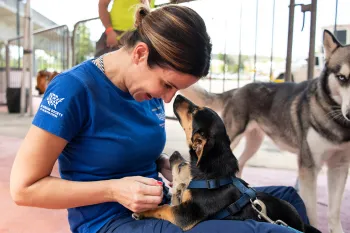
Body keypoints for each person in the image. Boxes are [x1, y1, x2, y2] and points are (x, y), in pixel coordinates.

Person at [10, 4, 310, 233]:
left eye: (177, 89)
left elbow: (130, 148)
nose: (168, 99)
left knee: (286, 198)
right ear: (140, 54)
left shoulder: (146, 90)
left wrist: (168, 165)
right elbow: (24, 189)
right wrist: (114, 189)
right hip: (111, 221)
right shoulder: (74, 89)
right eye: (167, 85)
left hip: (164, 203)